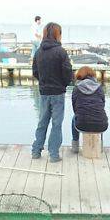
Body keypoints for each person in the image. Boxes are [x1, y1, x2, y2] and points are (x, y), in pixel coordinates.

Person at [31, 21, 73, 163]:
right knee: (56, 124)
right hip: (58, 93)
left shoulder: (38, 52)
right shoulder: (61, 52)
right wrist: (64, 84)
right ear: (57, 34)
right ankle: (54, 154)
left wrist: (43, 82)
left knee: (42, 121)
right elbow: (68, 72)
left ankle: (36, 150)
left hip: (43, 92)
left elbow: (35, 72)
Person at [71, 66, 108, 153]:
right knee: (100, 115)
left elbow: (75, 108)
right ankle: (100, 147)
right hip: (101, 126)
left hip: (82, 125)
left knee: (74, 118)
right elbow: (102, 105)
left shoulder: (76, 88)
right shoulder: (99, 88)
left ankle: (75, 147)